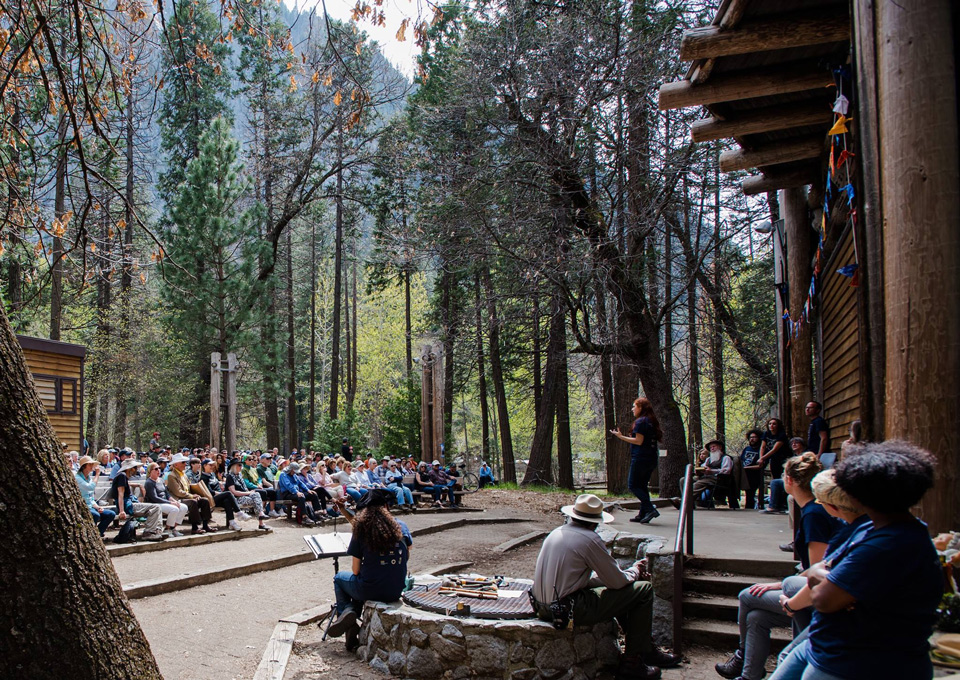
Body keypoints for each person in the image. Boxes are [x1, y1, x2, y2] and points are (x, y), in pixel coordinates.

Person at [769, 442, 942, 680]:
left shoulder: (887, 544)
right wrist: (829, 578)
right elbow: (822, 570)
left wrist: (824, 577)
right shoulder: (874, 527)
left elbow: (823, 598)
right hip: (825, 646)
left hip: (856, 662)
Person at [715, 453, 839, 680]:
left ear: (790, 481)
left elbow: (816, 571)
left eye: (783, 475)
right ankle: (749, 674)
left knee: (747, 596)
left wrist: (778, 585)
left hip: (816, 599)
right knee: (756, 618)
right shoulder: (809, 510)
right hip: (810, 589)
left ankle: (742, 655)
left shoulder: (814, 514)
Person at [532, 494, 680, 680]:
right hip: (567, 608)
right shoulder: (589, 539)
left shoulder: (558, 532)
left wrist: (626, 576)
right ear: (595, 522)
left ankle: (644, 648)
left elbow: (582, 580)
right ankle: (632, 662)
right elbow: (616, 582)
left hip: (543, 606)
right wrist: (634, 571)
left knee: (625, 592)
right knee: (643, 591)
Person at [326, 488, 412, 653]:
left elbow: (356, 570)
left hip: (370, 589)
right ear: (386, 507)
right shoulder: (400, 526)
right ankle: (351, 613)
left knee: (340, 578)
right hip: (396, 589)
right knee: (366, 579)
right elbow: (407, 554)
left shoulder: (362, 529)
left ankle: (348, 616)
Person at [610, 397, 662, 524]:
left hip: (641, 458)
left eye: (634, 406)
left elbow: (639, 441)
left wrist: (621, 437)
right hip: (651, 457)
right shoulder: (651, 421)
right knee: (642, 486)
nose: (632, 409)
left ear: (640, 408)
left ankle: (650, 509)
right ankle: (642, 513)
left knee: (633, 485)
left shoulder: (641, 422)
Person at [109, 458, 165, 541]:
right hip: (128, 506)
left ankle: (157, 531)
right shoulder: (122, 476)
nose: (136, 469)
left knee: (157, 507)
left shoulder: (123, 477)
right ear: (129, 468)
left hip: (129, 504)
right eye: (135, 467)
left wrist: (138, 484)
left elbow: (125, 485)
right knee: (156, 507)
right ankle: (149, 533)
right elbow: (120, 494)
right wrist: (121, 511)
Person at [166, 452, 217, 534]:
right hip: (179, 499)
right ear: (176, 465)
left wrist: (196, 494)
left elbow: (188, 487)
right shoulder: (172, 476)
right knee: (193, 502)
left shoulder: (184, 475)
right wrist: (192, 496)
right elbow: (178, 492)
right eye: (182, 462)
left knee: (204, 501)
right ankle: (194, 527)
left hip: (187, 497)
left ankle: (205, 525)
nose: (185, 464)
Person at [223, 458, 272, 531]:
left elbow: (245, 488)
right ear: (234, 467)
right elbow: (233, 492)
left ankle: (261, 515)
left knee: (257, 494)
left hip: (244, 496)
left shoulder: (239, 475)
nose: (241, 467)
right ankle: (261, 522)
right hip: (235, 499)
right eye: (239, 465)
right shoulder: (229, 477)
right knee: (256, 500)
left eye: (241, 465)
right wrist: (248, 493)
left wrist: (250, 493)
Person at [143, 462, 189, 537]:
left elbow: (166, 493)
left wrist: (173, 501)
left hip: (165, 502)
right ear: (150, 471)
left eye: (159, 469)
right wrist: (170, 503)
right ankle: (167, 529)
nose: (158, 470)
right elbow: (154, 498)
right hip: (155, 504)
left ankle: (173, 528)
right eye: (156, 469)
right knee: (174, 509)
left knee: (184, 507)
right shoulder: (149, 482)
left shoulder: (161, 480)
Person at [75, 455, 116, 538]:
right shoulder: (78, 478)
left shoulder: (88, 478)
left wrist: (97, 507)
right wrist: (97, 474)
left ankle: (97, 533)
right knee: (95, 515)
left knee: (111, 514)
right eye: (90, 465)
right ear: (84, 466)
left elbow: (91, 497)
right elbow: (90, 487)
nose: (92, 467)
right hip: (83, 506)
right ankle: (90, 535)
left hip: (91, 505)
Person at [200, 458, 244, 531]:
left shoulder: (213, 474)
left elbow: (216, 485)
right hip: (211, 499)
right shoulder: (203, 477)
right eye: (210, 465)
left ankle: (232, 523)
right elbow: (208, 491)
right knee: (228, 493)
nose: (212, 466)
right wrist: (220, 493)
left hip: (218, 497)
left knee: (227, 501)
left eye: (213, 465)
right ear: (204, 466)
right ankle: (239, 512)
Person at [692, 440, 733, 509]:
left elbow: (726, 471)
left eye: (714, 446)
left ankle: (686, 500)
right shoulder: (708, 459)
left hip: (719, 479)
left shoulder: (726, 458)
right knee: (684, 480)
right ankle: (690, 503)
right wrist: (699, 471)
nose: (712, 449)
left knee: (700, 483)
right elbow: (702, 467)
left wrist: (712, 471)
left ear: (720, 447)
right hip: (706, 477)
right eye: (710, 447)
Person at [740, 430, 765, 510]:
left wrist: (746, 468)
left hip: (755, 475)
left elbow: (761, 465)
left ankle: (750, 508)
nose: (752, 439)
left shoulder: (762, 450)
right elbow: (741, 460)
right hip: (744, 474)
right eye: (751, 437)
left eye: (754, 437)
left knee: (751, 492)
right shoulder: (747, 448)